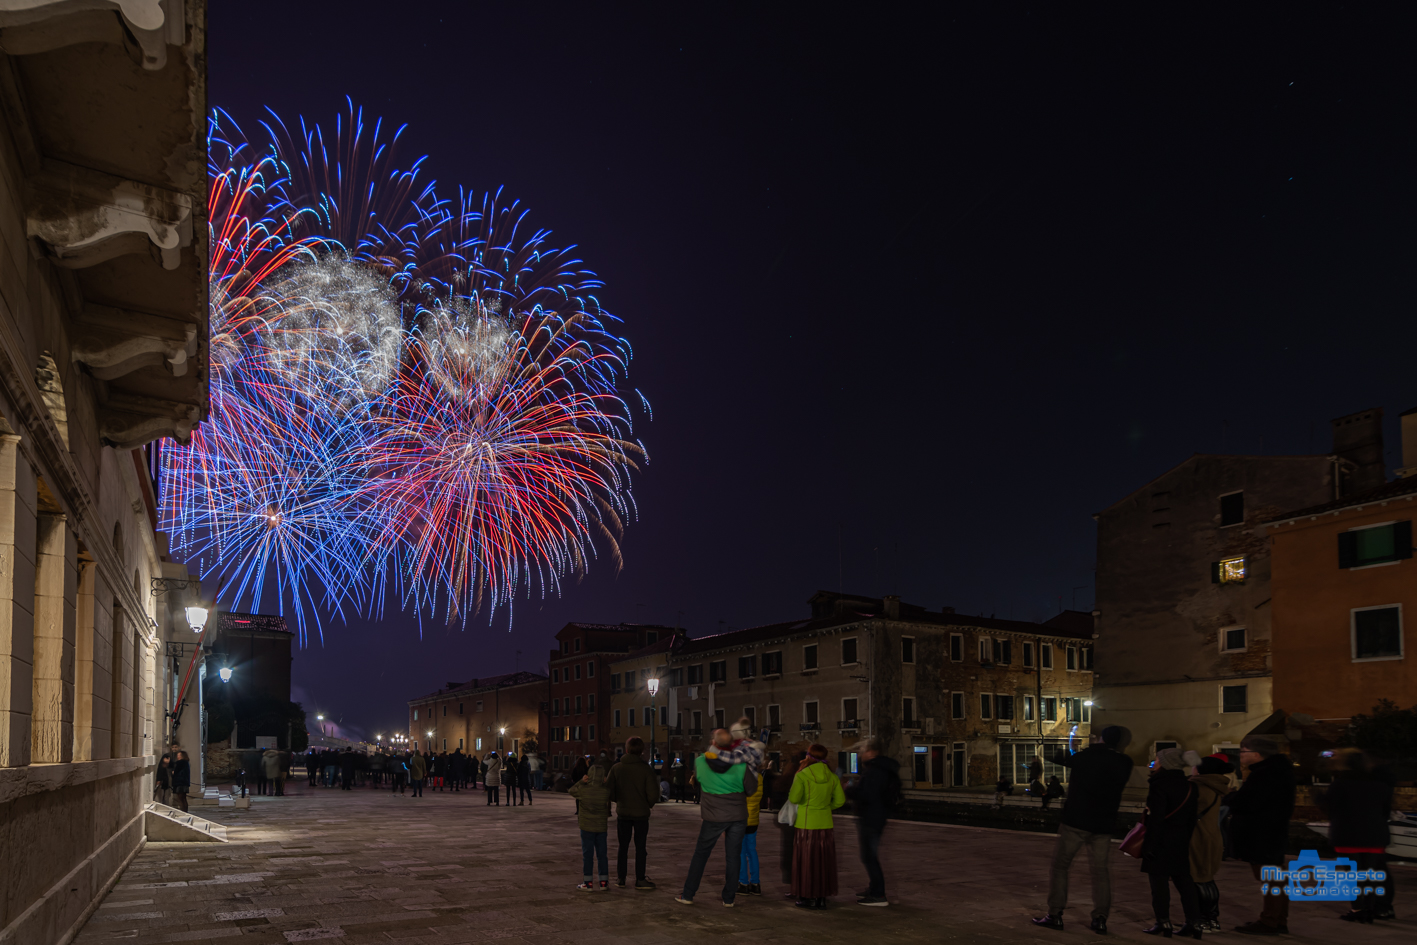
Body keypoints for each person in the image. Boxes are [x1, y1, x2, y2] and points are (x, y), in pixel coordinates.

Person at [1033, 725, 1135, 933]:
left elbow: (1053, 755)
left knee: (1061, 867)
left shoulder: (1086, 756)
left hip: (1076, 821)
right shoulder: (1125, 762)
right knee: (1101, 872)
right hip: (1104, 824)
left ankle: (1055, 914)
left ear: (1101, 739)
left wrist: (1073, 744)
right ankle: (1100, 919)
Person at [675, 728, 758, 907]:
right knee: (733, 856)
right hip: (737, 816)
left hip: (713, 816)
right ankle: (729, 898)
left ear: (714, 743)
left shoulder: (700, 761)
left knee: (701, 855)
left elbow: (699, 781)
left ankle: (688, 895)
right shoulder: (741, 764)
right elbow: (751, 789)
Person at [1317, 749, 1396, 923]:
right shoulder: (1380, 785)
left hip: (1348, 835)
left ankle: (1358, 909)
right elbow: (1385, 811)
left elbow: (1330, 809)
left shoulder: (1341, 784)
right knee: (1371, 875)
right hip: (1375, 836)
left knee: (1353, 876)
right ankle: (1372, 908)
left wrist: (1318, 798)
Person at [1227, 735, 1295, 935]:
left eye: (1243, 751)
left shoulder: (1265, 774)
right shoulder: (1279, 771)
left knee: (1270, 878)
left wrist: (1230, 797)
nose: (1240, 755)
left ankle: (1270, 921)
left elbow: (1248, 802)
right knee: (1276, 878)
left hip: (1262, 834)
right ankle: (1278, 920)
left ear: (1256, 754)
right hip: (1271, 832)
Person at [1140, 748, 1201, 937]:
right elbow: (1192, 819)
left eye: (1158, 759)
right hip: (1180, 840)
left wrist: (1149, 845)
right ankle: (1194, 923)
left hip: (1161, 840)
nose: (1155, 762)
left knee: (1159, 884)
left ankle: (1163, 922)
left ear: (1166, 763)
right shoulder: (1191, 786)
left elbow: (1156, 818)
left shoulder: (1160, 784)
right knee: (1184, 882)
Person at [789, 743, 846, 909]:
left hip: (806, 824)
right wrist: (826, 807)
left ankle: (806, 897)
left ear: (808, 756)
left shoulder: (802, 775)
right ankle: (821, 899)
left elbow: (794, 798)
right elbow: (840, 801)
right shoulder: (832, 776)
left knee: (806, 862)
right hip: (825, 824)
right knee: (823, 862)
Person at [848, 737, 900, 906]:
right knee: (869, 855)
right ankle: (874, 889)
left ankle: (878, 894)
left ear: (871, 752)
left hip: (872, 817)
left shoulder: (874, 771)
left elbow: (867, 795)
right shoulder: (881, 768)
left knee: (869, 856)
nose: (861, 754)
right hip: (877, 816)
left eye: (862, 751)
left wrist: (849, 790)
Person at [605, 736, 660, 889]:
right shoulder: (645, 769)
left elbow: (608, 790)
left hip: (623, 812)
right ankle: (640, 879)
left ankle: (621, 878)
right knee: (640, 847)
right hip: (641, 814)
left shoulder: (617, 768)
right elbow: (653, 794)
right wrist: (647, 803)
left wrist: (619, 800)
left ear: (627, 750)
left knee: (623, 846)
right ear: (642, 751)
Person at [1191, 753, 1236, 932]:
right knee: (1207, 879)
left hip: (1198, 837)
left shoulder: (1199, 787)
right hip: (1212, 836)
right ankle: (1212, 919)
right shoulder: (1217, 786)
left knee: (1198, 879)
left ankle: (1203, 919)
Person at [569, 763, 611, 890]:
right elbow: (613, 793)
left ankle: (588, 883)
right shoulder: (605, 791)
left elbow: (571, 790)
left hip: (586, 826)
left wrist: (581, 782)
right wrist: (606, 783)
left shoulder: (584, 789)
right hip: (601, 827)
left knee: (587, 855)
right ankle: (603, 882)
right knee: (602, 854)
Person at [774, 752, 804, 887]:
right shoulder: (803, 778)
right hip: (805, 820)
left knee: (789, 850)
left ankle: (791, 879)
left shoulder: (785, 779)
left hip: (788, 822)